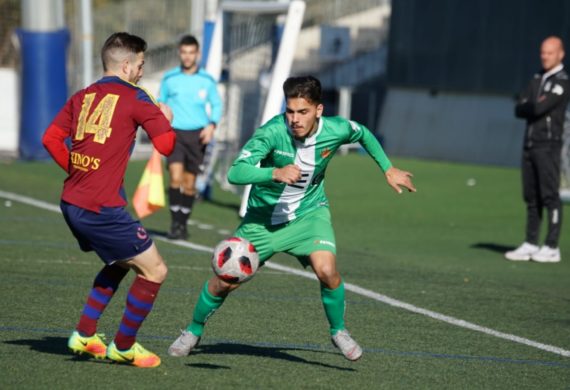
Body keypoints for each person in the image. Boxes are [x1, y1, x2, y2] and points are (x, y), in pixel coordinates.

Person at [167, 76, 416, 361]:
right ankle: (193, 330)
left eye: (303, 112)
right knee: (225, 280)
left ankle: (339, 331)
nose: (295, 119)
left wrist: (388, 168)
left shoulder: (335, 129)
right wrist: (274, 172)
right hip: (262, 221)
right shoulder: (272, 132)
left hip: (309, 216)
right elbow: (235, 172)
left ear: (318, 110)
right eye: (290, 111)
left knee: (327, 271)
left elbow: (362, 133)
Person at [42, 32, 176, 368]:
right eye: (141, 65)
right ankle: (124, 346)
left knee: (120, 261)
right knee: (155, 270)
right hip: (101, 207)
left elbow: (51, 138)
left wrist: (77, 168)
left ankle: (86, 335)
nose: (142, 72)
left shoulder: (83, 95)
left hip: (73, 201)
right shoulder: (136, 97)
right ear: (127, 65)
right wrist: (166, 120)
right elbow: (166, 146)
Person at [506, 36, 570, 263]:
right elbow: (519, 108)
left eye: (549, 53)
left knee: (550, 195)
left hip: (549, 145)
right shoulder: (536, 78)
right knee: (531, 196)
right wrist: (530, 105)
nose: (545, 56)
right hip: (530, 143)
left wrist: (531, 105)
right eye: (543, 52)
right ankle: (531, 242)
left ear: (560, 54)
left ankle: (552, 246)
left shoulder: (562, 81)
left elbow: (540, 106)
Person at [158, 35, 223, 240]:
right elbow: (161, 103)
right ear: (180, 53)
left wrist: (212, 125)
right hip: (175, 133)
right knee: (175, 177)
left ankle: (183, 225)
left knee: (189, 183)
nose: (187, 56)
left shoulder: (207, 80)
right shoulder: (169, 78)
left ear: (197, 54)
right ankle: (174, 223)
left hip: (198, 136)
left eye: (191, 52)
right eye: (184, 52)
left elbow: (217, 104)